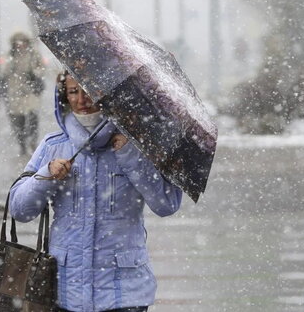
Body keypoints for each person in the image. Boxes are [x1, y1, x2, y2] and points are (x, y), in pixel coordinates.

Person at [9, 71, 182, 312]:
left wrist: (131, 156)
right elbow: (19, 209)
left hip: (125, 295)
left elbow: (166, 204)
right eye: (73, 91)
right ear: (64, 97)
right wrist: (46, 176)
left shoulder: (138, 144)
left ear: (107, 94)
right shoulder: (53, 146)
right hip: (64, 291)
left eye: (90, 90)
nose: (82, 100)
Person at [1, 32, 45, 155]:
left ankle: (32, 140)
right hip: (15, 93)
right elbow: (4, 73)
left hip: (30, 92)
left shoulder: (33, 55)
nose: (20, 45)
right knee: (18, 121)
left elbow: (41, 69)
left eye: (23, 42)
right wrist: (11, 62)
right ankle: (22, 144)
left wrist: (34, 73)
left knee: (32, 117)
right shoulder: (10, 56)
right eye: (17, 43)